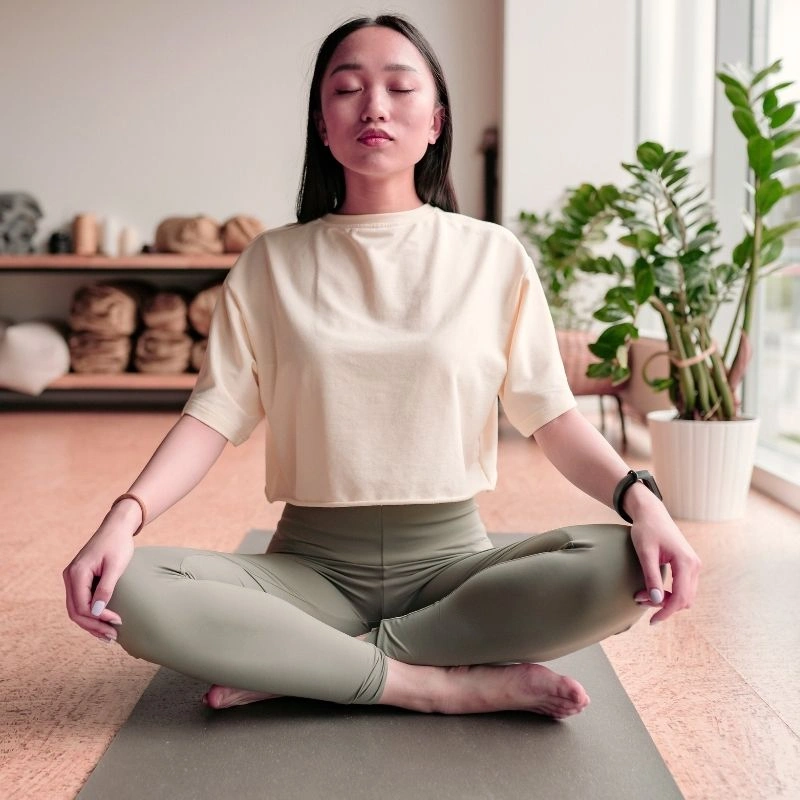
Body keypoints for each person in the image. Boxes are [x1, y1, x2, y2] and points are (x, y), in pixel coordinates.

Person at [63, 14, 701, 720]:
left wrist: (645, 502)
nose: (374, 106)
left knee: (624, 566)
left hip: (455, 569)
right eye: (348, 89)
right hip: (306, 572)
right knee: (126, 584)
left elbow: (551, 415)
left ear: (435, 122)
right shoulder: (270, 263)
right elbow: (211, 417)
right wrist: (121, 519)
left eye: (400, 88)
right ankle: (431, 683)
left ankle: (312, 665)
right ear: (321, 123)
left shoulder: (492, 256)